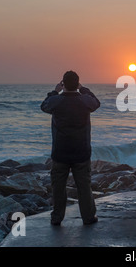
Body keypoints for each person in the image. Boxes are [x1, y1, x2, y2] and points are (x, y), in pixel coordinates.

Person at [41, 71, 101, 226]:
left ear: (63, 84)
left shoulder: (56, 100)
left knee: (58, 187)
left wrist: (55, 91)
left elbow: (44, 106)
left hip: (60, 152)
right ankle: (88, 217)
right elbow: (96, 102)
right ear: (77, 83)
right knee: (84, 186)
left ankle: (57, 218)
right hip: (81, 151)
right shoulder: (84, 101)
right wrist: (84, 89)